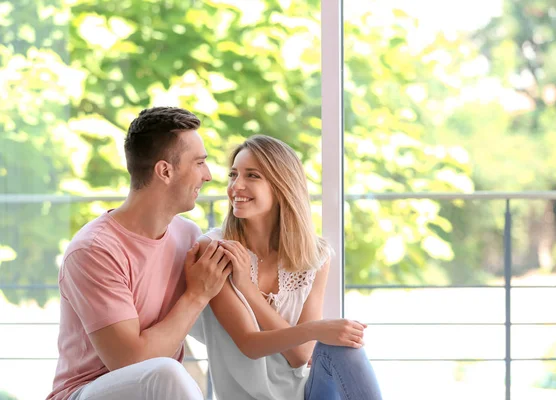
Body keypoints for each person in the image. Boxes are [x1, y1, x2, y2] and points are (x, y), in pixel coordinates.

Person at [47, 107, 231, 400]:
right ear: (165, 171)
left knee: (170, 372)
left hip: (157, 392)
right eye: (199, 163)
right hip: (83, 393)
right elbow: (130, 363)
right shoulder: (94, 250)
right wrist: (196, 295)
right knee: (167, 372)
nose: (208, 176)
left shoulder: (188, 236)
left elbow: (227, 326)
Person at [190, 135, 383, 399]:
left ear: (281, 185)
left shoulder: (316, 255)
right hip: (246, 395)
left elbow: (300, 355)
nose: (236, 186)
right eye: (233, 175)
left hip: (306, 392)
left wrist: (247, 288)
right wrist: (316, 330)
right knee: (336, 340)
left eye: (252, 176)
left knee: (345, 348)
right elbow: (249, 344)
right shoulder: (215, 249)